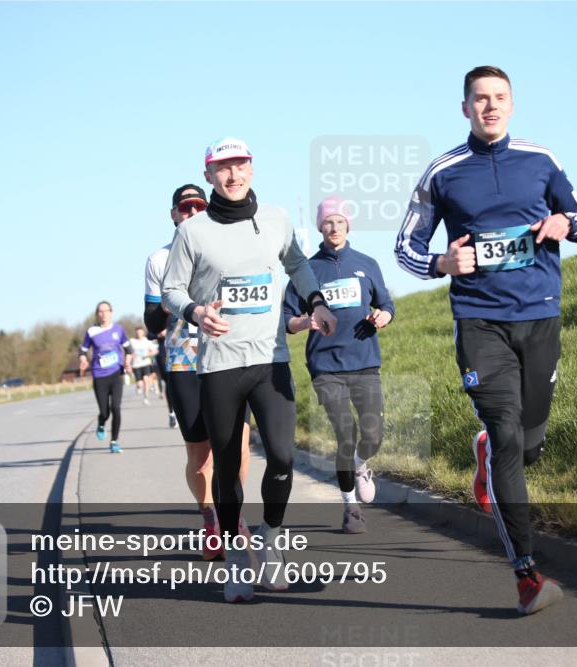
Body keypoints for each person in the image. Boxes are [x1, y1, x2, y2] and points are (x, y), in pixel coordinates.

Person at [394, 66, 577, 615]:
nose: (490, 106)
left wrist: (563, 224)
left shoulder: (541, 159)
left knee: (528, 446)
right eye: (480, 98)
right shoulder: (443, 171)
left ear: (512, 103)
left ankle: (485, 454)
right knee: (507, 433)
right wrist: (442, 262)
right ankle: (527, 575)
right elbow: (405, 247)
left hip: (540, 315)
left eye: (499, 97)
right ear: (465, 108)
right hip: (479, 320)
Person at [162, 137, 337, 602]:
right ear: (209, 175)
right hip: (219, 366)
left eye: (240, 165)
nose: (233, 174)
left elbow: (298, 265)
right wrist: (196, 312)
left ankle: (271, 540)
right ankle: (237, 560)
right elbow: (171, 291)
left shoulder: (275, 219)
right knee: (226, 470)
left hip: (270, 361)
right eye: (223, 168)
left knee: (281, 456)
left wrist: (317, 301)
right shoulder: (192, 232)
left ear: (252, 169)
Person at [144, 183, 253, 560]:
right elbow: (151, 322)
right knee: (201, 455)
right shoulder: (159, 259)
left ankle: (233, 515)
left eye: (198, 207)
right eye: (185, 208)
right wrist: (174, 297)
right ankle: (210, 519)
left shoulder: (226, 250)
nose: (192, 214)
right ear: (174, 215)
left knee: (239, 446)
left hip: (229, 357)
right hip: (184, 362)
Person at [284, 196, 394, 534]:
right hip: (326, 366)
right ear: (320, 227)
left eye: (340, 222)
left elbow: (386, 303)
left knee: (373, 434)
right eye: (328, 222)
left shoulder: (366, 264)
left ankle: (360, 464)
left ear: (348, 226)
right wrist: (305, 323)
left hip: (365, 362)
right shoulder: (306, 270)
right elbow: (286, 319)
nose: (334, 227)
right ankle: (350, 507)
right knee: (346, 434)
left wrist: (383, 316)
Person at [79, 301, 134, 454]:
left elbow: (129, 350)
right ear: (97, 314)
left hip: (116, 373)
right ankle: (101, 423)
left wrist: (128, 362)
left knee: (116, 408)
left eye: (106, 311)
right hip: (99, 375)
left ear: (111, 312)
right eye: (100, 311)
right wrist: (83, 360)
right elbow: (82, 350)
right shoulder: (91, 331)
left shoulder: (118, 330)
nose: (103, 314)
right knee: (105, 412)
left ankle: (114, 441)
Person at [129, 327, 158, 404]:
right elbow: (128, 352)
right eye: (137, 332)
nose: (139, 334)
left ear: (143, 333)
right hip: (136, 364)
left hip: (146, 363)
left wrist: (148, 354)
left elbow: (155, 351)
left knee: (146, 380)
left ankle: (146, 397)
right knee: (140, 383)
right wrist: (131, 357)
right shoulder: (132, 341)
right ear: (135, 333)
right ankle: (138, 386)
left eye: (140, 332)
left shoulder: (147, 341)